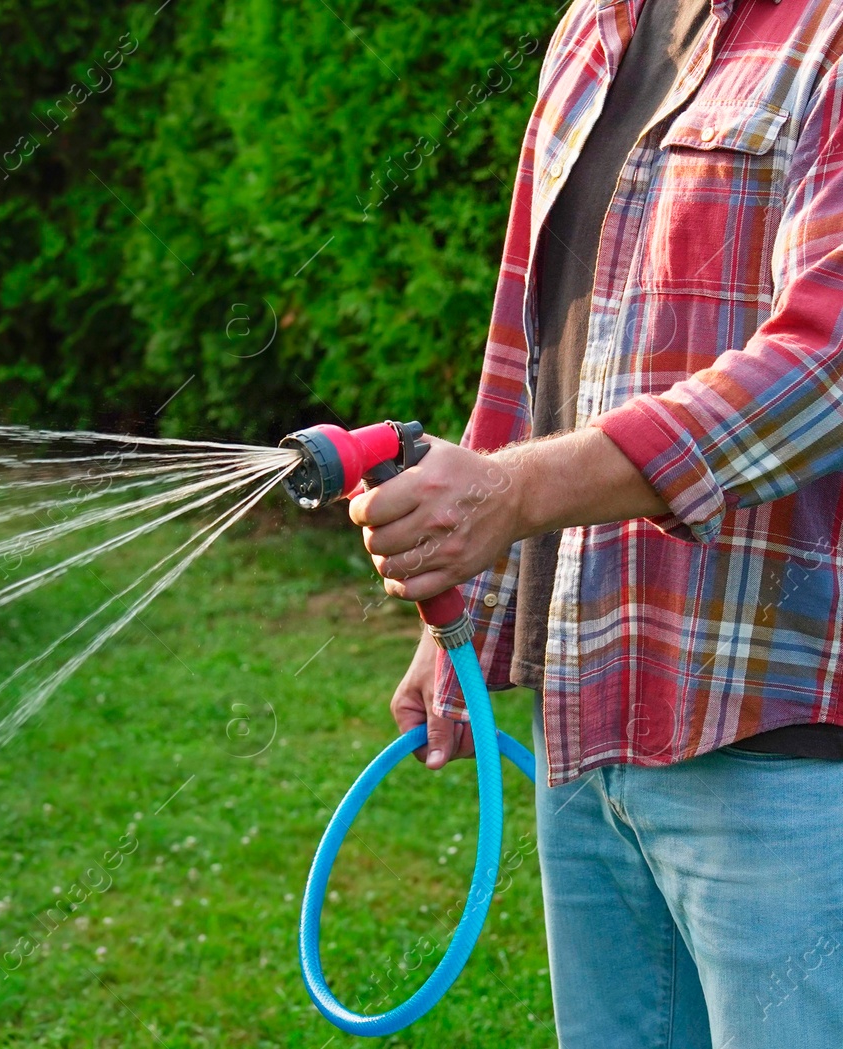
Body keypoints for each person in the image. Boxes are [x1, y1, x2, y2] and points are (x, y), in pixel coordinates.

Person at [351, 1, 843, 1046]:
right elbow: (526, 333)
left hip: (782, 739)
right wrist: (467, 608)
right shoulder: (594, 25)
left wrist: (516, 496)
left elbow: (822, 365)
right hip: (588, 707)